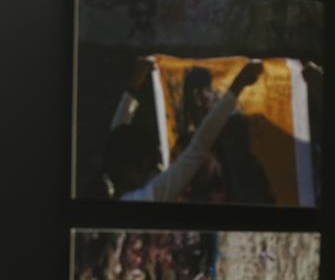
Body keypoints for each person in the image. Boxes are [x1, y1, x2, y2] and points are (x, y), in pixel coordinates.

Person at [103, 59, 264, 203]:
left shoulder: (114, 180)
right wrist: (237, 86)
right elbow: (198, 148)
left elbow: (116, 141)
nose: (154, 171)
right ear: (131, 171)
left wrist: (133, 88)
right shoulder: (146, 198)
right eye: (147, 166)